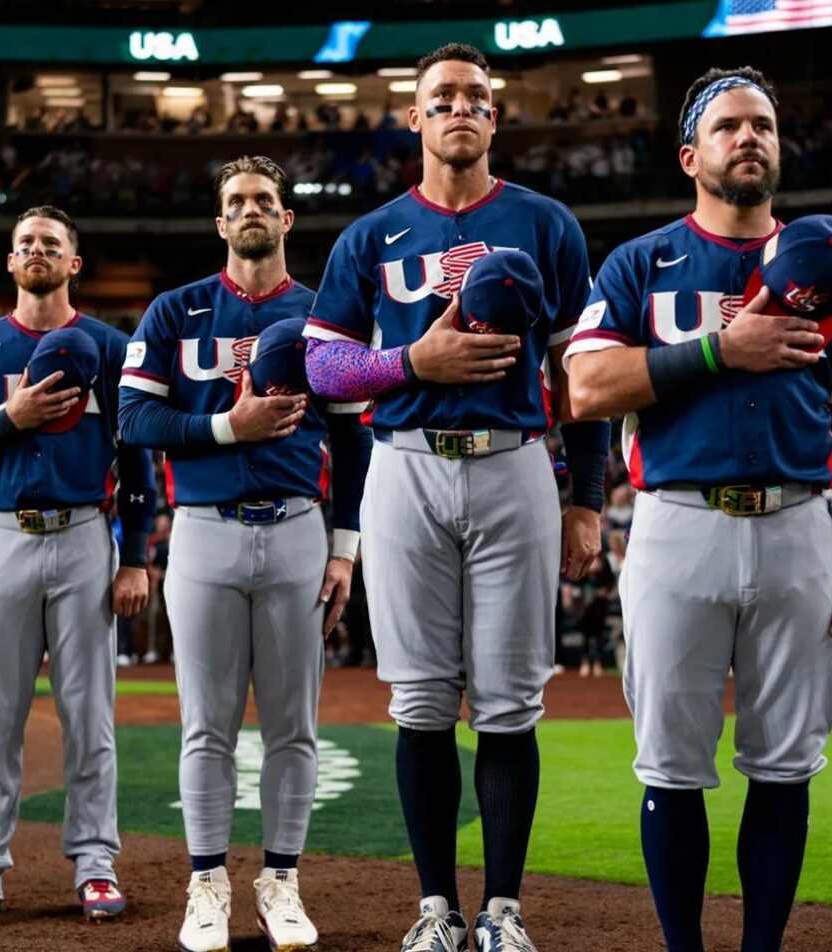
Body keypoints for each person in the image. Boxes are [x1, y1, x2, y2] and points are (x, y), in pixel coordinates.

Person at [564, 67, 832, 952]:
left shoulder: (830, 264)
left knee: (784, 768)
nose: (751, 138)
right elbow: (586, 387)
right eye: (731, 126)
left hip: (797, 527)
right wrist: (719, 350)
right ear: (689, 154)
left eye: (765, 127)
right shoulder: (641, 263)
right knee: (671, 767)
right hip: (677, 523)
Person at [303, 44, 606, 952]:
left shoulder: (547, 223)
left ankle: (503, 910)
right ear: (416, 119)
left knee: (511, 702)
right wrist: (410, 363)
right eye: (443, 97)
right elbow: (322, 365)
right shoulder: (369, 235)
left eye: (477, 96)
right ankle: (436, 907)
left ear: (494, 118)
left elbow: (582, 372)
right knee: (422, 702)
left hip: (517, 462)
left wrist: (585, 497)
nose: (460, 108)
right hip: (404, 463)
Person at [119, 155, 371, 952]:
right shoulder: (174, 310)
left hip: (300, 527)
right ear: (220, 222)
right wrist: (231, 427)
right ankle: (206, 886)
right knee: (208, 727)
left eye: (265, 198)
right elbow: (133, 421)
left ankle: (281, 882)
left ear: (286, 218)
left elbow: (355, 438)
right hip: (203, 526)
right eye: (236, 200)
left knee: (296, 725)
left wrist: (345, 548)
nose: (251, 209)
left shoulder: (325, 311)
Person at [0, 205, 155, 928]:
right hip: (2, 538)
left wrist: (137, 556)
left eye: (50, 243)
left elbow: (140, 458)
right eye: (25, 242)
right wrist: (9, 420)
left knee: (89, 716)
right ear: (10, 260)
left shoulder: (112, 348)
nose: (36, 250)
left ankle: (94, 863)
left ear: (72, 263)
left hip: (88, 533)